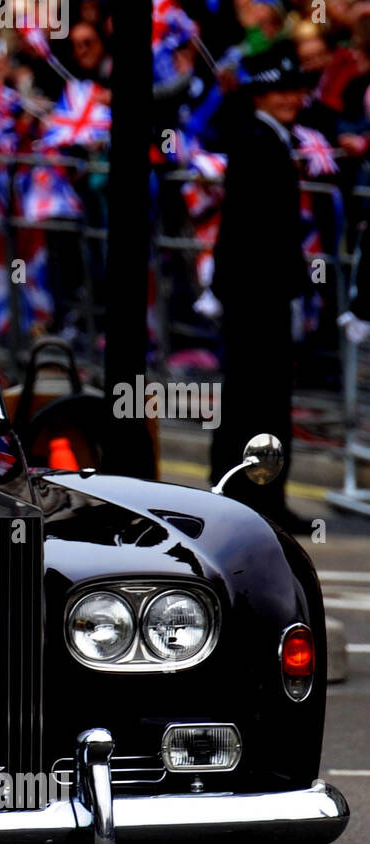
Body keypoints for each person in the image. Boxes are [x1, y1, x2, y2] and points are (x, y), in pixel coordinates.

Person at [210, 40, 312, 533]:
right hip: (256, 295)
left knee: (262, 398)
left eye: (294, 90)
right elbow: (255, 231)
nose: (290, 99)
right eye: (279, 92)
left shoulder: (268, 138)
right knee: (255, 398)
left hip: (262, 292)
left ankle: (260, 493)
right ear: (258, 97)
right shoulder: (256, 141)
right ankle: (244, 492)